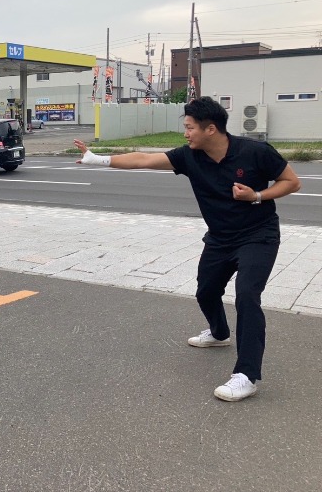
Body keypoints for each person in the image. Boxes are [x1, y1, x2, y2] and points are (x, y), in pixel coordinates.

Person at [74, 96, 301, 401]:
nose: (185, 133)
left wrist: (257, 196)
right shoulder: (189, 156)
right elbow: (143, 160)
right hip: (219, 238)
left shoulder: (255, 151)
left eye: (190, 127)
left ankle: (246, 375)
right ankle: (219, 333)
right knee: (205, 292)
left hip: (258, 235)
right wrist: (97, 159)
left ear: (210, 129)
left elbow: (291, 182)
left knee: (247, 295)